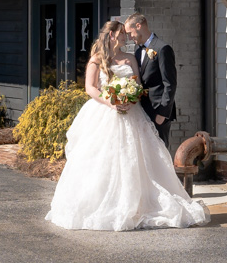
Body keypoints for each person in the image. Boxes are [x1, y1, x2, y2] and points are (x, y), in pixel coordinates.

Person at [45, 20, 209, 232]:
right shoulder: (97, 59)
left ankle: (140, 203)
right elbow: (90, 87)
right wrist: (110, 102)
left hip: (132, 113)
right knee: (104, 158)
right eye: (122, 33)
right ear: (112, 35)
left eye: (126, 32)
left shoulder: (130, 58)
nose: (126, 37)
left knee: (136, 157)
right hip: (105, 112)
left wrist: (131, 98)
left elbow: (138, 85)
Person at [124, 12, 177, 149]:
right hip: (142, 111)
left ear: (138, 26)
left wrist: (163, 113)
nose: (130, 37)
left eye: (130, 33)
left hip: (158, 112)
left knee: (160, 152)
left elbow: (170, 84)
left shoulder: (162, 48)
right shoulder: (137, 50)